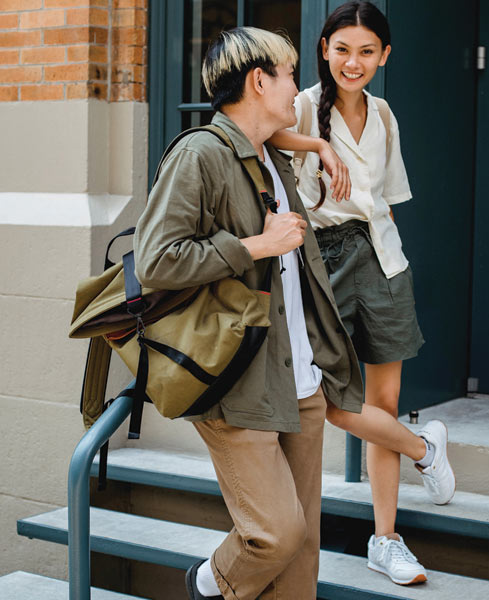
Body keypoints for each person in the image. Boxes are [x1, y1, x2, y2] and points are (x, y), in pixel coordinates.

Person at [133, 26, 364, 600]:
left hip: (299, 377)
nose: (296, 87)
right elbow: (156, 261)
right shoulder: (199, 154)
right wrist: (253, 246)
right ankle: (211, 582)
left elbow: (297, 272)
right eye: (288, 75)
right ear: (259, 81)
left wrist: (315, 146)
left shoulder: (269, 154)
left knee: (303, 545)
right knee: (275, 535)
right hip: (236, 378)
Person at [269, 1, 456, 586]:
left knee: (382, 402)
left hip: (381, 257)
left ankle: (386, 539)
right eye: (342, 49)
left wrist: (393, 266)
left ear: (384, 55)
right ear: (324, 48)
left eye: (367, 51)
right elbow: (260, 132)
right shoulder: (299, 103)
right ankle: (423, 448)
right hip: (320, 263)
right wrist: (318, 147)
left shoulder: (384, 113)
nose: (354, 62)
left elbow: (388, 201)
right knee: (328, 401)